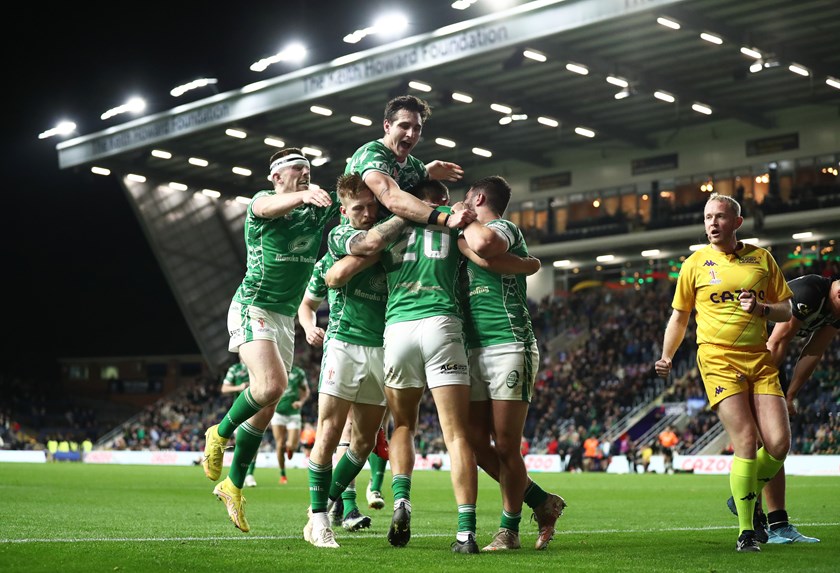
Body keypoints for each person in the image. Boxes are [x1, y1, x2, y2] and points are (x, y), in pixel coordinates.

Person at [201, 147, 338, 533]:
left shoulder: (316, 209)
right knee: (272, 385)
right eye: (297, 169)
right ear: (277, 176)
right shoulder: (262, 203)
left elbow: (357, 195)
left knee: (266, 406)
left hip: (283, 318)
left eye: (308, 170)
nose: (305, 175)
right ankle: (219, 432)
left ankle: (233, 485)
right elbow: (264, 209)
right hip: (253, 306)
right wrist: (300, 195)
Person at [654, 192, 793, 552]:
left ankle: (742, 492)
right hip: (718, 359)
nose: (712, 223)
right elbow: (679, 316)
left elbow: (786, 310)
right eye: (707, 218)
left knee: (778, 444)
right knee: (746, 439)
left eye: (719, 216)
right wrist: (667, 355)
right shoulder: (695, 263)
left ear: (737, 222)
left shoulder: (762, 259)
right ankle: (747, 531)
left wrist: (762, 308)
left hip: (759, 358)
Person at [299, 173, 410, 548]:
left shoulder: (386, 232)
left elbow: (348, 268)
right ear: (344, 210)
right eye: (357, 208)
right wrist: (376, 249)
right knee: (329, 432)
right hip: (345, 342)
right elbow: (342, 269)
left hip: (384, 346)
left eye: (370, 206)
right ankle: (318, 521)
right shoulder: (338, 235)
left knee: (362, 443)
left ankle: (327, 504)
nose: (365, 212)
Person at [457, 175, 567, 551]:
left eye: (466, 201)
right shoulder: (465, 237)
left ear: (479, 198)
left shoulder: (501, 227)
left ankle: (509, 530)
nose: (462, 207)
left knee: (505, 445)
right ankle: (541, 501)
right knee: (473, 442)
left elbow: (486, 248)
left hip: (509, 343)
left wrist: (463, 233)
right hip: (472, 349)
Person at [745, 274, 837, 543]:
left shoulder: (835, 313)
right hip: (750, 353)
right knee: (765, 441)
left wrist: (791, 395)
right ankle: (751, 509)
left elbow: (814, 350)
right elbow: (777, 341)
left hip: (766, 354)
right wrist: (766, 390)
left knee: (775, 445)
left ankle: (776, 523)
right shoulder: (810, 292)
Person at [345, 94, 474, 230]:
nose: (411, 134)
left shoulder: (416, 166)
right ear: (387, 126)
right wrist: (446, 219)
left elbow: (404, 179)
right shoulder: (371, 155)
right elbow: (392, 198)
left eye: (417, 128)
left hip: (392, 242)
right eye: (404, 126)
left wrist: (427, 172)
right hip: (358, 240)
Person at [219, 357, 258, 488]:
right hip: (240, 410)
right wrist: (239, 387)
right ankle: (237, 475)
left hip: (257, 409)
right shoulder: (234, 369)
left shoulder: (257, 365)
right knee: (241, 442)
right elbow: (224, 388)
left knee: (253, 443)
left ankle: (250, 474)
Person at [271, 364, 310, 485]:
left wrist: (301, 402)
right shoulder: (274, 368)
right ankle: (283, 474)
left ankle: (290, 448)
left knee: (292, 445)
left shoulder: (299, 372)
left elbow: (306, 391)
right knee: (279, 444)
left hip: (293, 413)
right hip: (278, 413)